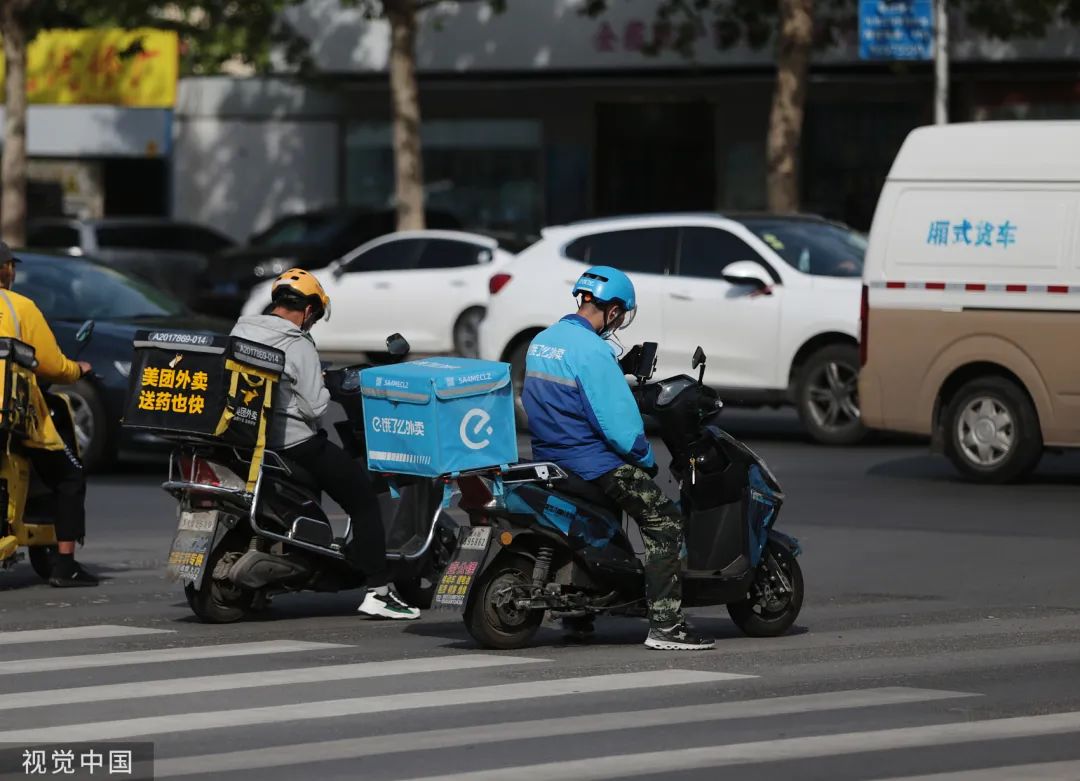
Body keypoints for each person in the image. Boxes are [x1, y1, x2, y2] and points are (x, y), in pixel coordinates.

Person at [521, 265, 714, 651]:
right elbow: (618, 425)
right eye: (621, 314)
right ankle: (666, 625)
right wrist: (644, 459)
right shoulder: (593, 351)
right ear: (612, 310)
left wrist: (616, 370)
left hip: (550, 457)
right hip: (593, 462)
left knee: (596, 526)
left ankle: (580, 614)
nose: (620, 321)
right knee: (664, 522)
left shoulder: (543, 340)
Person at [231, 268, 420, 620]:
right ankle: (379, 590)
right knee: (363, 498)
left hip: (250, 439)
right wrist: (322, 384)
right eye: (314, 316)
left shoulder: (242, 329)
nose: (312, 323)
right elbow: (315, 407)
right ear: (308, 310)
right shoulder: (297, 342)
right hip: (293, 441)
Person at [0, 242, 97, 587]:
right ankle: (65, 565)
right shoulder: (19, 307)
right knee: (69, 476)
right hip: (11, 417)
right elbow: (52, 364)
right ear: (8, 270)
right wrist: (77, 369)